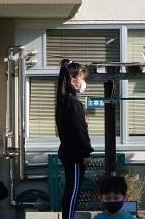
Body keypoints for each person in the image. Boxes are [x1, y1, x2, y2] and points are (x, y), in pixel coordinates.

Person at [55, 59, 94, 219]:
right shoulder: (73, 102)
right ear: (73, 81)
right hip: (75, 155)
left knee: (72, 188)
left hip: (69, 152)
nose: (84, 82)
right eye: (82, 79)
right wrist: (86, 152)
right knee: (73, 189)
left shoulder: (65, 101)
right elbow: (79, 131)